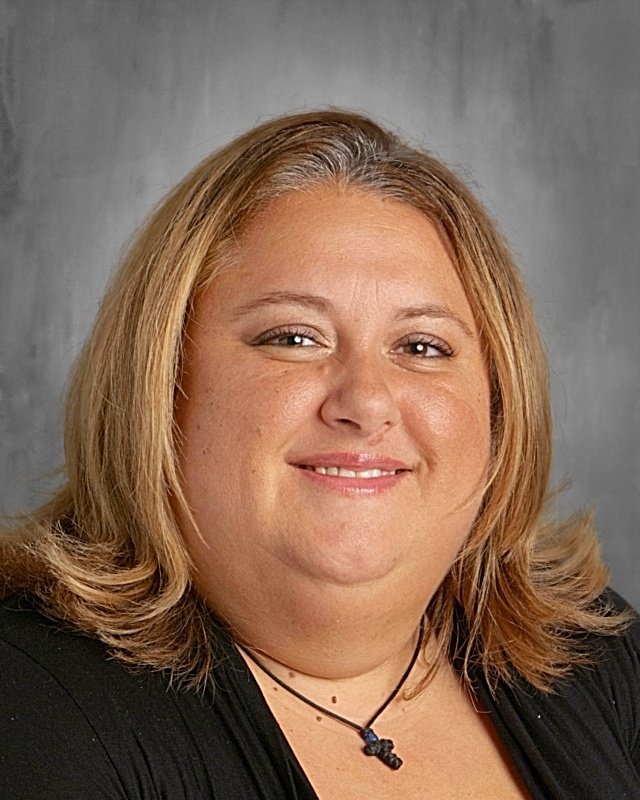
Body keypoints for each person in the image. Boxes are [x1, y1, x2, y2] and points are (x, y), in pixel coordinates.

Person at [1, 110, 638, 799]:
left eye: (422, 346)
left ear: (496, 407)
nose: (366, 402)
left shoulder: (596, 656)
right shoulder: (33, 710)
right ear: (162, 382)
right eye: (293, 338)